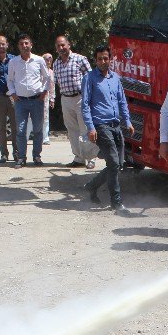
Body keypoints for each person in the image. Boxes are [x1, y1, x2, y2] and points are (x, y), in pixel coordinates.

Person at [81, 45, 134, 215]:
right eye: (99, 59)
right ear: (95, 61)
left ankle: (92, 186)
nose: (103, 62)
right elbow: (85, 105)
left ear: (110, 59)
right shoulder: (89, 78)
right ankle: (116, 202)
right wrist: (90, 127)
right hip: (101, 126)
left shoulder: (115, 78)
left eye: (106, 58)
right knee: (112, 162)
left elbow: (122, 101)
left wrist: (128, 121)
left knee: (117, 164)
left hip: (116, 125)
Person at [6, 33, 50, 167]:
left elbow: (47, 78)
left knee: (37, 129)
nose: (24, 46)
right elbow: (10, 80)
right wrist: (13, 93)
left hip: (37, 100)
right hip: (20, 101)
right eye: (21, 44)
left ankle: (37, 156)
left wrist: (44, 92)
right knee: (20, 130)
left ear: (31, 44)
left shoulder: (39, 60)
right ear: (18, 46)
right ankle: (21, 157)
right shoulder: (13, 62)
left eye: (26, 43)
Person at [53, 35, 96, 168]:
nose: (61, 48)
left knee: (86, 128)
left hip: (80, 98)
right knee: (72, 130)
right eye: (58, 46)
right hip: (65, 99)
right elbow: (55, 82)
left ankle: (91, 158)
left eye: (63, 45)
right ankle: (79, 158)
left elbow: (90, 78)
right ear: (56, 48)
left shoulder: (80, 59)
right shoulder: (56, 63)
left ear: (69, 45)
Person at [0, 35, 18, 164]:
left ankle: (17, 153)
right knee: (1, 127)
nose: (1, 46)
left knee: (15, 127)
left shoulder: (14, 60)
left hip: (13, 97)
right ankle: (4, 154)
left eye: (3, 44)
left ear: (7, 45)